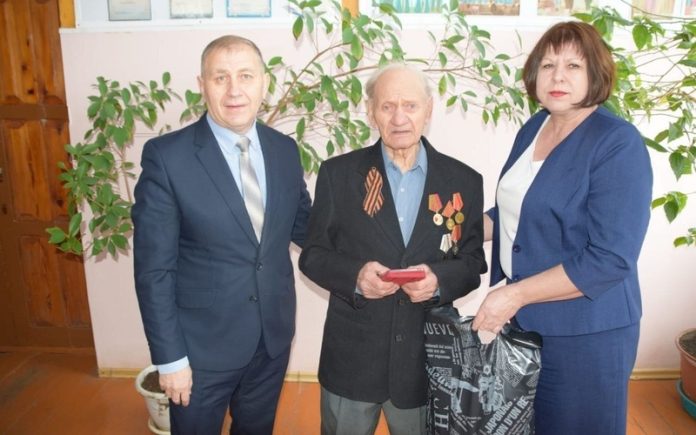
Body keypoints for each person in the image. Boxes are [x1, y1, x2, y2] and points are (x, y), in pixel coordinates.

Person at [472, 21, 652, 435]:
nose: (558, 77)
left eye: (573, 65)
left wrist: (512, 295)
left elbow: (610, 258)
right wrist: (455, 229)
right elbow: (518, 210)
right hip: (528, 323)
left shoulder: (618, 143)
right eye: (548, 65)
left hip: (587, 333)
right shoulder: (535, 127)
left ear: (596, 74)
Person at [132, 35, 311, 435]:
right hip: (200, 352)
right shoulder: (167, 158)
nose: (234, 90)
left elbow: (306, 228)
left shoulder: (284, 150)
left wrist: (367, 249)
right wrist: (170, 360)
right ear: (202, 85)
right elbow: (154, 271)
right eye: (220, 77)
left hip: (271, 341)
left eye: (246, 76)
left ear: (264, 83)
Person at [299, 63, 487, 435]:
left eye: (410, 106)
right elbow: (313, 255)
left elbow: (472, 261)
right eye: (387, 106)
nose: (399, 118)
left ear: (428, 110)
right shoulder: (338, 174)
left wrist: (437, 281)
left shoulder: (463, 180)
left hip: (424, 362)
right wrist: (356, 277)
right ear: (371, 113)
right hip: (351, 360)